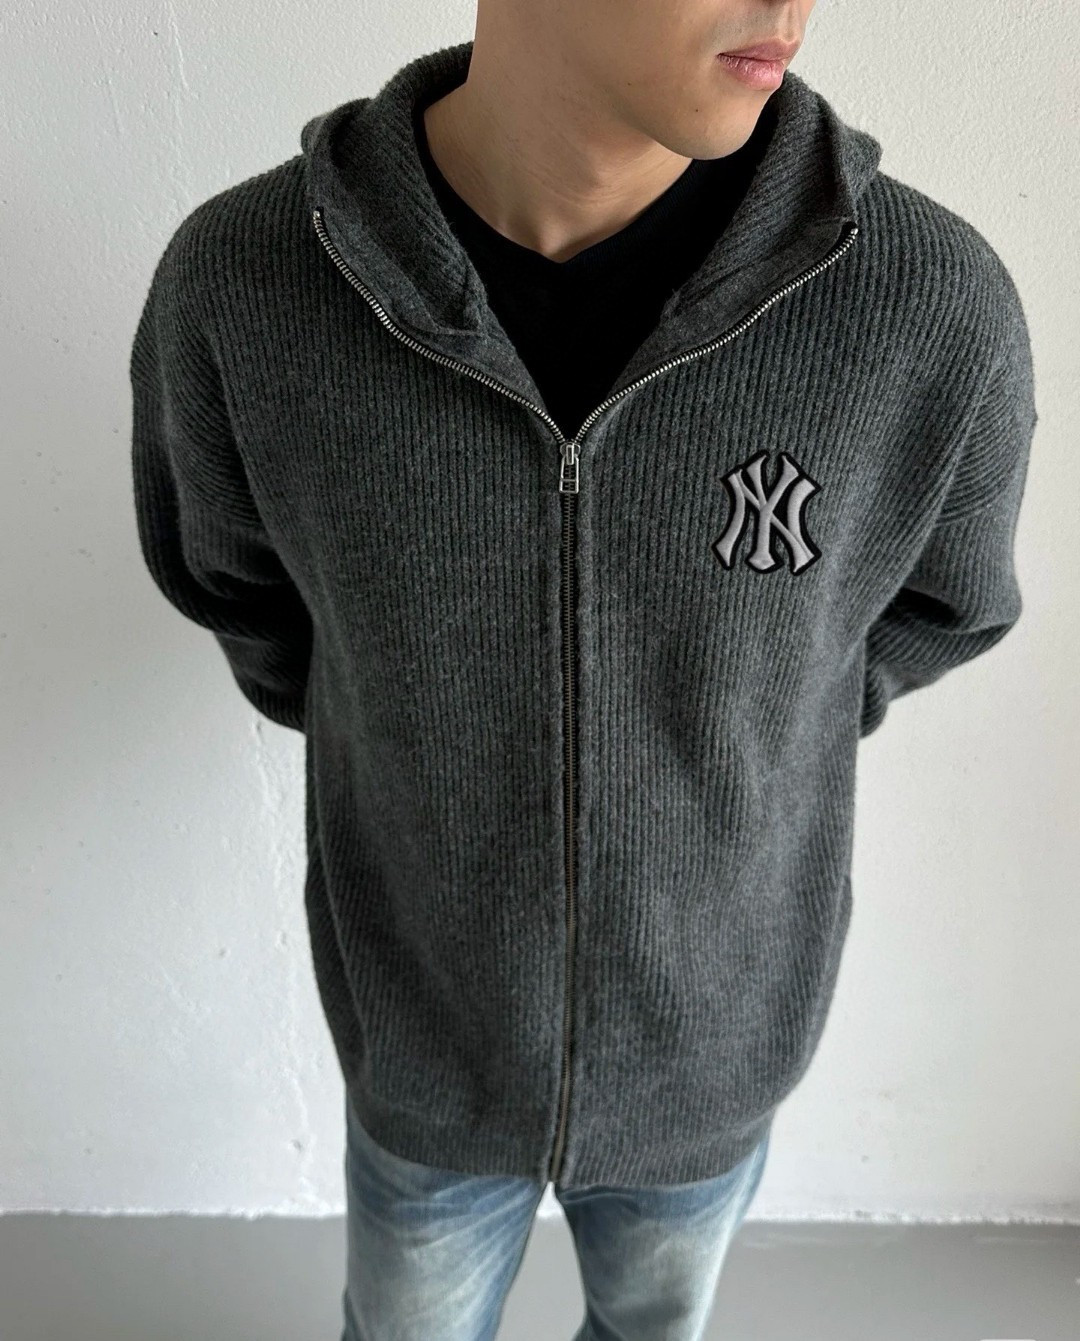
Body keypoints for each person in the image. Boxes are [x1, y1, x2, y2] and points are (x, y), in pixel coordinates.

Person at [128, 2, 1037, 1337]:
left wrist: (756, 718)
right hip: (424, 1040)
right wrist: (402, 705)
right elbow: (238, 587)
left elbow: (943, 606)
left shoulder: (924, 307)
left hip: (711, 1046)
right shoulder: (250, 283)